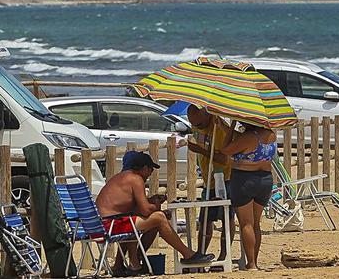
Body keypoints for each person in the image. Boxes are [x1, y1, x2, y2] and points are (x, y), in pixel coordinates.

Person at [95, 151, 214, 275]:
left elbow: (133, 209)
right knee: (159, 218)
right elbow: (145, 210)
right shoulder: (136, 179)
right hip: (110, 225)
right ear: (144, 168)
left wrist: (152, 202)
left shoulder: (121, 177)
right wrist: (156, 207)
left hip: (102, 224)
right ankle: (188, 255)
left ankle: (128, 263)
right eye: (151, 169)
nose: (151, 173)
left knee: (153, 222)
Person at [214, 123, 277, 270]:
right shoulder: (270, 134)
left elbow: (226, 150)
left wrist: (230, 128)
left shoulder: (249, 137)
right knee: (256, 223)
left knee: (246, 223)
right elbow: (240, 139)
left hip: (244, 179)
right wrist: (225, 126)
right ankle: (254, 260)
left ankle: (251, 263)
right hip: (265, 179)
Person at [182, 105, 232, 250]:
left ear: (207, 115)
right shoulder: (197, 126)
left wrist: (200, 150)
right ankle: (201, 252)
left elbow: (226, 160)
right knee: (205, 220)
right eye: (193, 124)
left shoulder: (220, 129)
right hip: (208, 180)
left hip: (224, 179)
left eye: (199, 124)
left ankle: (224, 254)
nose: (197, 127)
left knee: (226, 219)